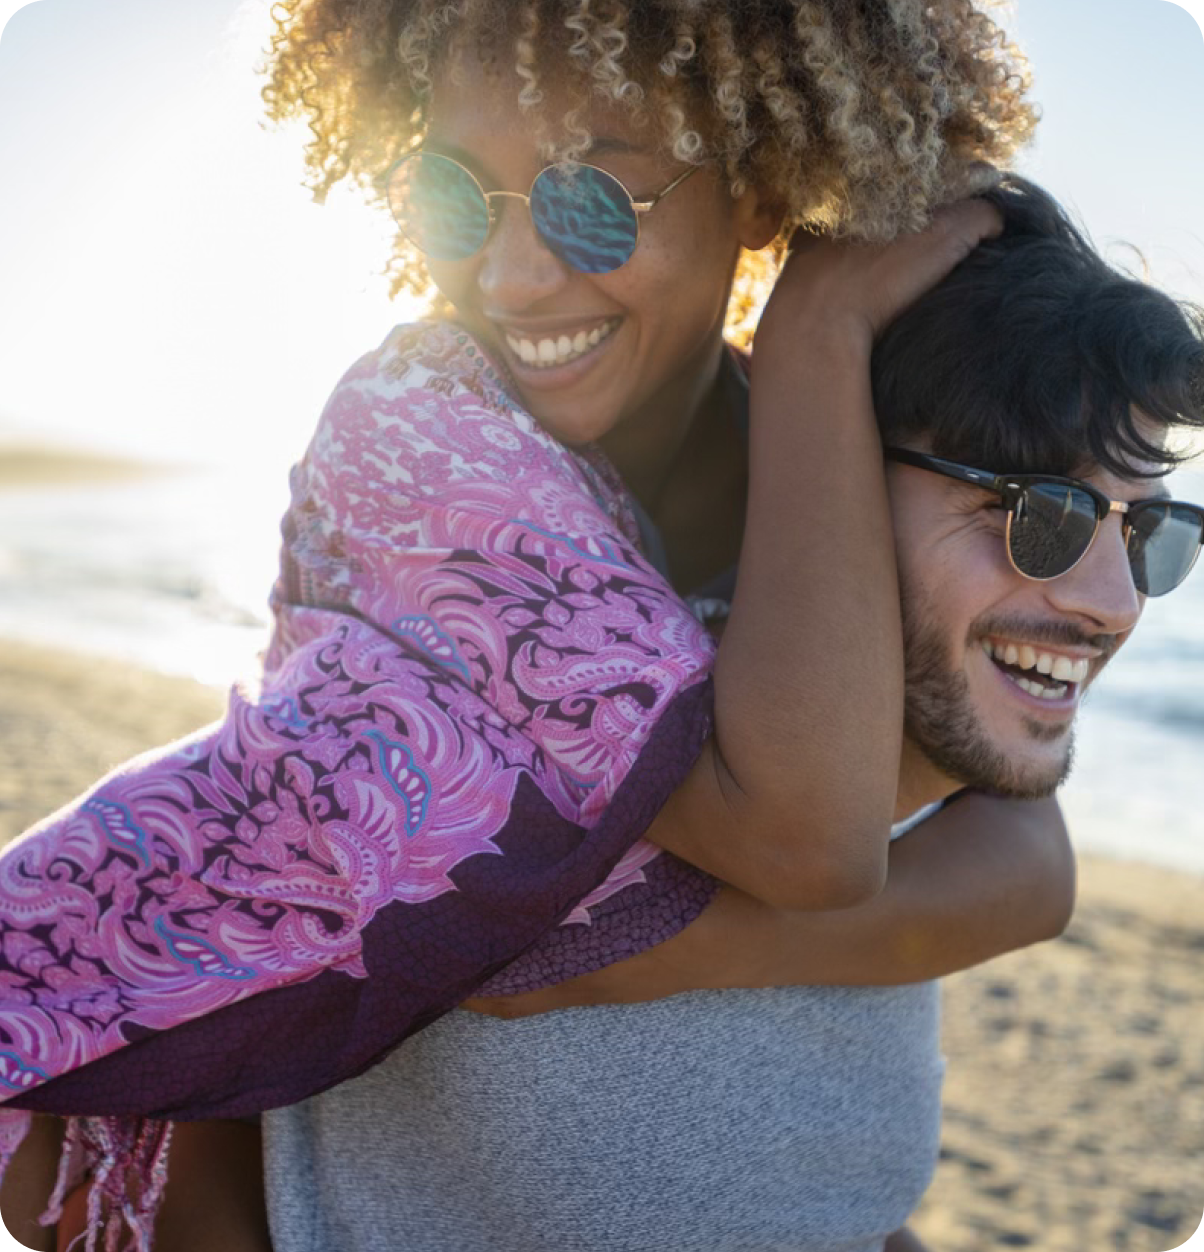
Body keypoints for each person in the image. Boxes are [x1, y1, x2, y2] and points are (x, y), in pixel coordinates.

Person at [0, 3, 1073, 1250]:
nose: (509, 278)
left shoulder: (863, 460)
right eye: (454, 197)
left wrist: (636, 955)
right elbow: (815, 838)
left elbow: (1028, 840)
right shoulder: (414, 432)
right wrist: (819, 332)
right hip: (178, 1125)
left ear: (764, 197)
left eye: (591, 201)